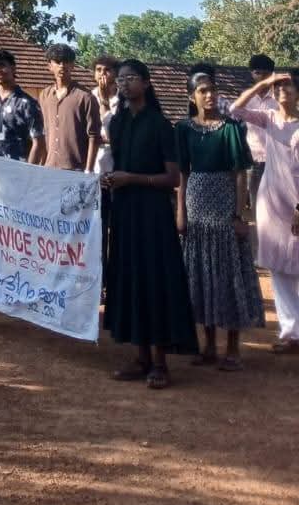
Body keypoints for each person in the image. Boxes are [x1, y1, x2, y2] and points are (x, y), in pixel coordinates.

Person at [102, 59, 198, 388]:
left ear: (146, 82)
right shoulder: (117, 124)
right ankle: (141, 357)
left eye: (131, 78)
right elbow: (118, 166)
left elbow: (173, 178)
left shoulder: (160, 125)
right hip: (125, 212)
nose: (124, 84)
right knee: (131, 279)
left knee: (154, 281)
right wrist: (110, 179)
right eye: (120, 79)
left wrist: (132, 178)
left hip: (154, 215)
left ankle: (160, 362)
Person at [175, 68, 263, 370]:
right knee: (201, 276)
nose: (210, 95)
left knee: (228, 275)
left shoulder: (231, 128)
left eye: (212, 89)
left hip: (224, 206)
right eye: (203, 91)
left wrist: (238, 215)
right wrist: (181, 212)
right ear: (192, 97)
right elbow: (182, 173)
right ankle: (209, 346)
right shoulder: (183, 129)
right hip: (196, 208)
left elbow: (240, 174)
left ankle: (233, 348)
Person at [227, 68, 299, 352]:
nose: (282, 91)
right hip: (272, 201)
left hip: (297, 202)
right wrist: (265, 83)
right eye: (278, 88)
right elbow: (235, 109)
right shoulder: (268, 118)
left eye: (288, 87)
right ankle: (291, 333)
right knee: (279, 268)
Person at [0, 48, 45, 162]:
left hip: (19, 168)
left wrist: (29, 170)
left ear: (13, 68)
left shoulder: (27, 103)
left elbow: (39, 142)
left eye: (2, 65)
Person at [39, 43, 101, 172]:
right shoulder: (44, 95)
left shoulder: (85, 97)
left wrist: (88, 170)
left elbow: (94, 136)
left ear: (72, 65)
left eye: (66, 62)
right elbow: (43, 133)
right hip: (49, 168)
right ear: (49, 66)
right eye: (58, 62)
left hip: (76, 170)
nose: (62, 66)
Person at [93, 54, 121, 291]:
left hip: (119, 174)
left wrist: (104, 103)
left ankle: (117, 280)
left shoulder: (123, 100)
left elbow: (116, 135)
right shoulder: (88, 97)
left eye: (108, 70)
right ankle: (99, 281)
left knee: (118, 231)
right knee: (98, 232)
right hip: (95, 173)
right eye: (99, 70)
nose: (103, 74)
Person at [243, 53, 279, 217]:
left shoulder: (280, 98)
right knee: (257, 208)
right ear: (252, 74)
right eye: (258, 73)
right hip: (254, 161)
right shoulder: (246, 100)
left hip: (277, 160)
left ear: (272, 75)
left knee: (278, 208)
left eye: (266, 73)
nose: (262, 77)